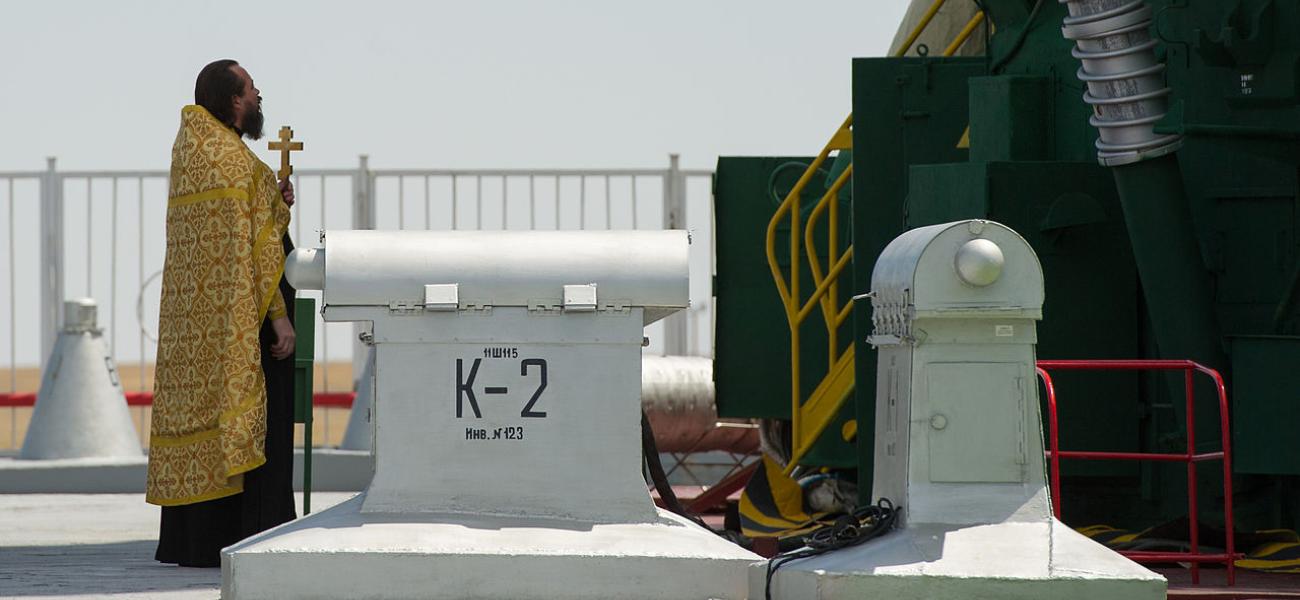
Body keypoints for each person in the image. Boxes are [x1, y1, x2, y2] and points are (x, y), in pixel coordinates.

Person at [147, 59, 298, 567]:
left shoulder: (192, 154)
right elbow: (258, 249)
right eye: (252, 90)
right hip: (239, 325)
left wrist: (271, 201)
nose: (258, 98)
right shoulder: (239, 165)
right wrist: (279, 318)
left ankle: (191, 542)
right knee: (254, 421)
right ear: (234, 102)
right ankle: (254, 535)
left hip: (193, 325)